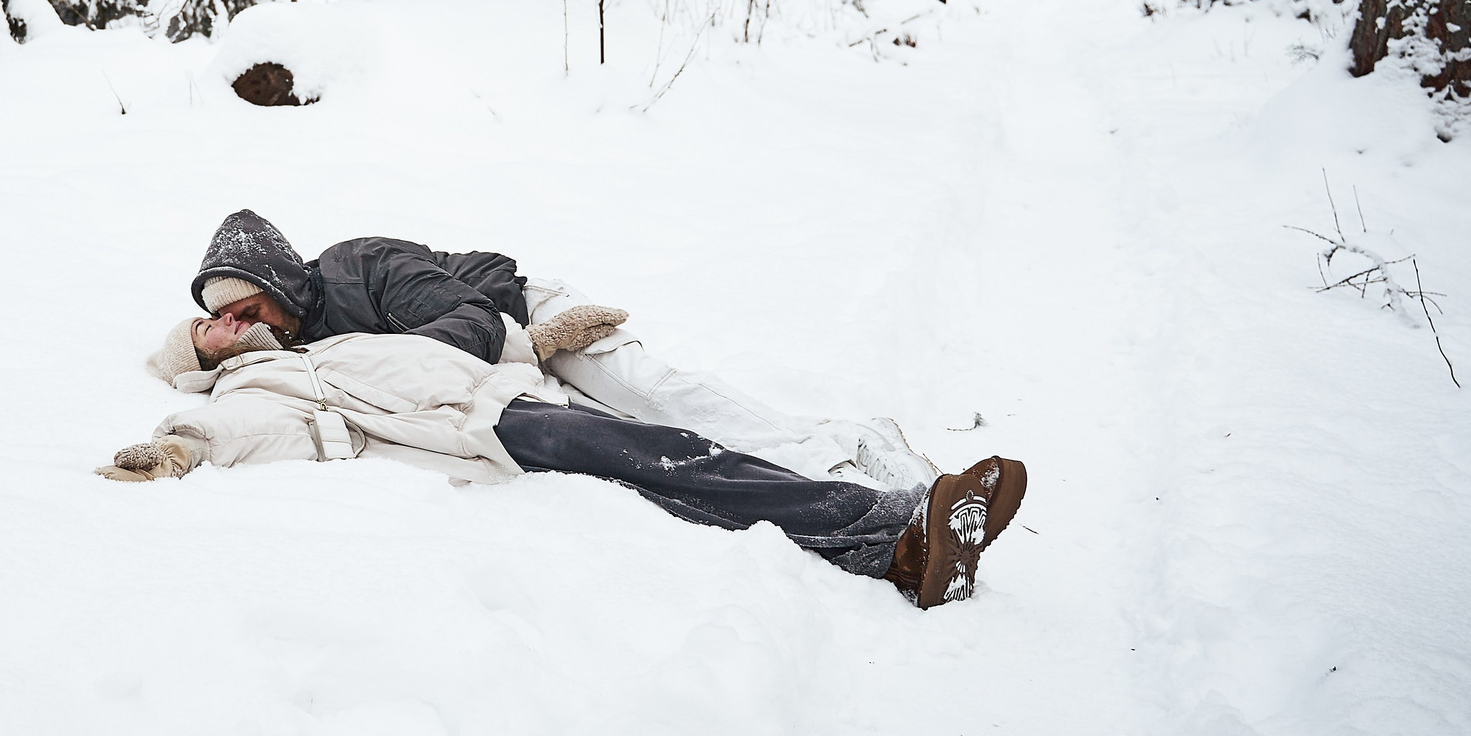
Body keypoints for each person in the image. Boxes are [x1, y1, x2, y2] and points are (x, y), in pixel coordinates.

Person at [111, 314, 1027, 609]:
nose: (230, 321)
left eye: (228, 311)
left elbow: (450, 349)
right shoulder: (253, 391)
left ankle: (899, 553)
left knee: (686, 477)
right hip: (494, 434)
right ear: (206, 361)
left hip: (516, 401)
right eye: (211, 329)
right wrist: (177, 450)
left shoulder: (324, 344)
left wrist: (535, 340)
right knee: (681, 460)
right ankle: (904, 521)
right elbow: (250, 436)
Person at [180, 210, 938, 489]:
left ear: (276, 278)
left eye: (250, 305)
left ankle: (847, 448)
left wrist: (525, 345)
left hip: (535, 318)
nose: (249, 323)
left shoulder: (360, 265)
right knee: (641, 443)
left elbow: (468, 321)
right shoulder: (297, 344)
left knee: (653, 395)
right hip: (500, 375)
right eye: (233, 321)